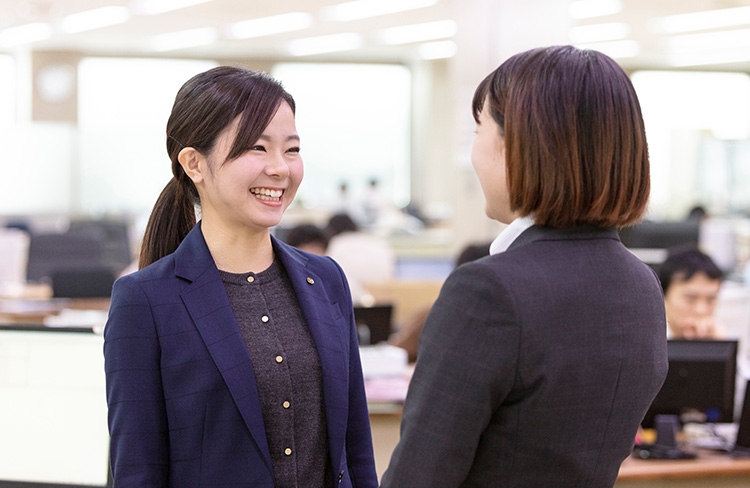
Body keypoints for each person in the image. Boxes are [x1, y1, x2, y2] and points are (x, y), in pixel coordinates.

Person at [380, 45, 668, 487]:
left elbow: (421, 474)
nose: (473, 154)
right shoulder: (640, 285)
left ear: (515, 147)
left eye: (479, 129)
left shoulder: (490, 290)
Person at [103, 66, 377, 488]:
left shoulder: (325, 279)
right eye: (257, 148)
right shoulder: (145, 299)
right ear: (194, 163)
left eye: (291, 149)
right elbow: (138, 471)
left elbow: (357, 451)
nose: (280, 169)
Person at [658, 245, 724, 339]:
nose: (701, 310)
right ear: (663, 297)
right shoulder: (648, 342)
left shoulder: (718, 336)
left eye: (710, 300)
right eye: (690, 299)